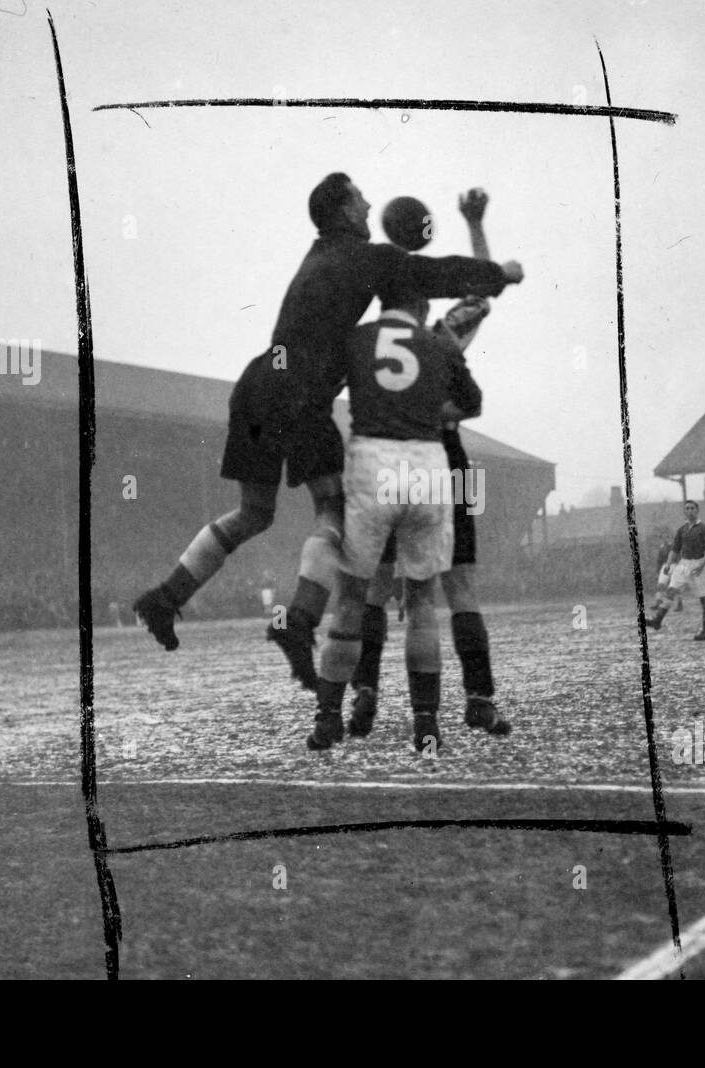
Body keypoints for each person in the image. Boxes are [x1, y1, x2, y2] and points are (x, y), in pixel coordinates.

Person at [131, 173, 523, 687]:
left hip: (256, 383)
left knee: (253, 513)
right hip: (303, 393)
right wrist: (498, 273)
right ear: (341, 212)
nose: (368, 204)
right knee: (332, 514)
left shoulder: (320, 257)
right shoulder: (370, 261)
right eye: (359, 198)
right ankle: (299, 619)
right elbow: (438, 273)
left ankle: (165, 597)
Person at [348, 189, 510, 739]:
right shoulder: (443, 339)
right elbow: (487, 290)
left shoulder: (376, 344)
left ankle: (365, 692)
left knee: (379, 585)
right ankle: (479, 699)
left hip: (396, 459)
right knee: (459, 584)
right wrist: (475, 223)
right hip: (447, 455)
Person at [307, 285, 482, 751]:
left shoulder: (358, 338)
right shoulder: (439, 341)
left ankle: (328, 717)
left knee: (352, 596)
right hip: (428, 464)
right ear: (424, 307)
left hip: (375, 464)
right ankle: (426, 722)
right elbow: (472, 401)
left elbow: (316, 392)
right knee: (423, 601)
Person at [645, 499, 705, 639]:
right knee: (670, 591)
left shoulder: (703, 529)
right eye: (687, 508)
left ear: (697, 510)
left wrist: (702, 565)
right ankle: (657, 621)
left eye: (692, 508)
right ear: (684, 511)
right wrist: (668, 564)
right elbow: (675, 549)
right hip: (683, 564)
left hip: (698, 565)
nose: (689, 511)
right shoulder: (682, 529)